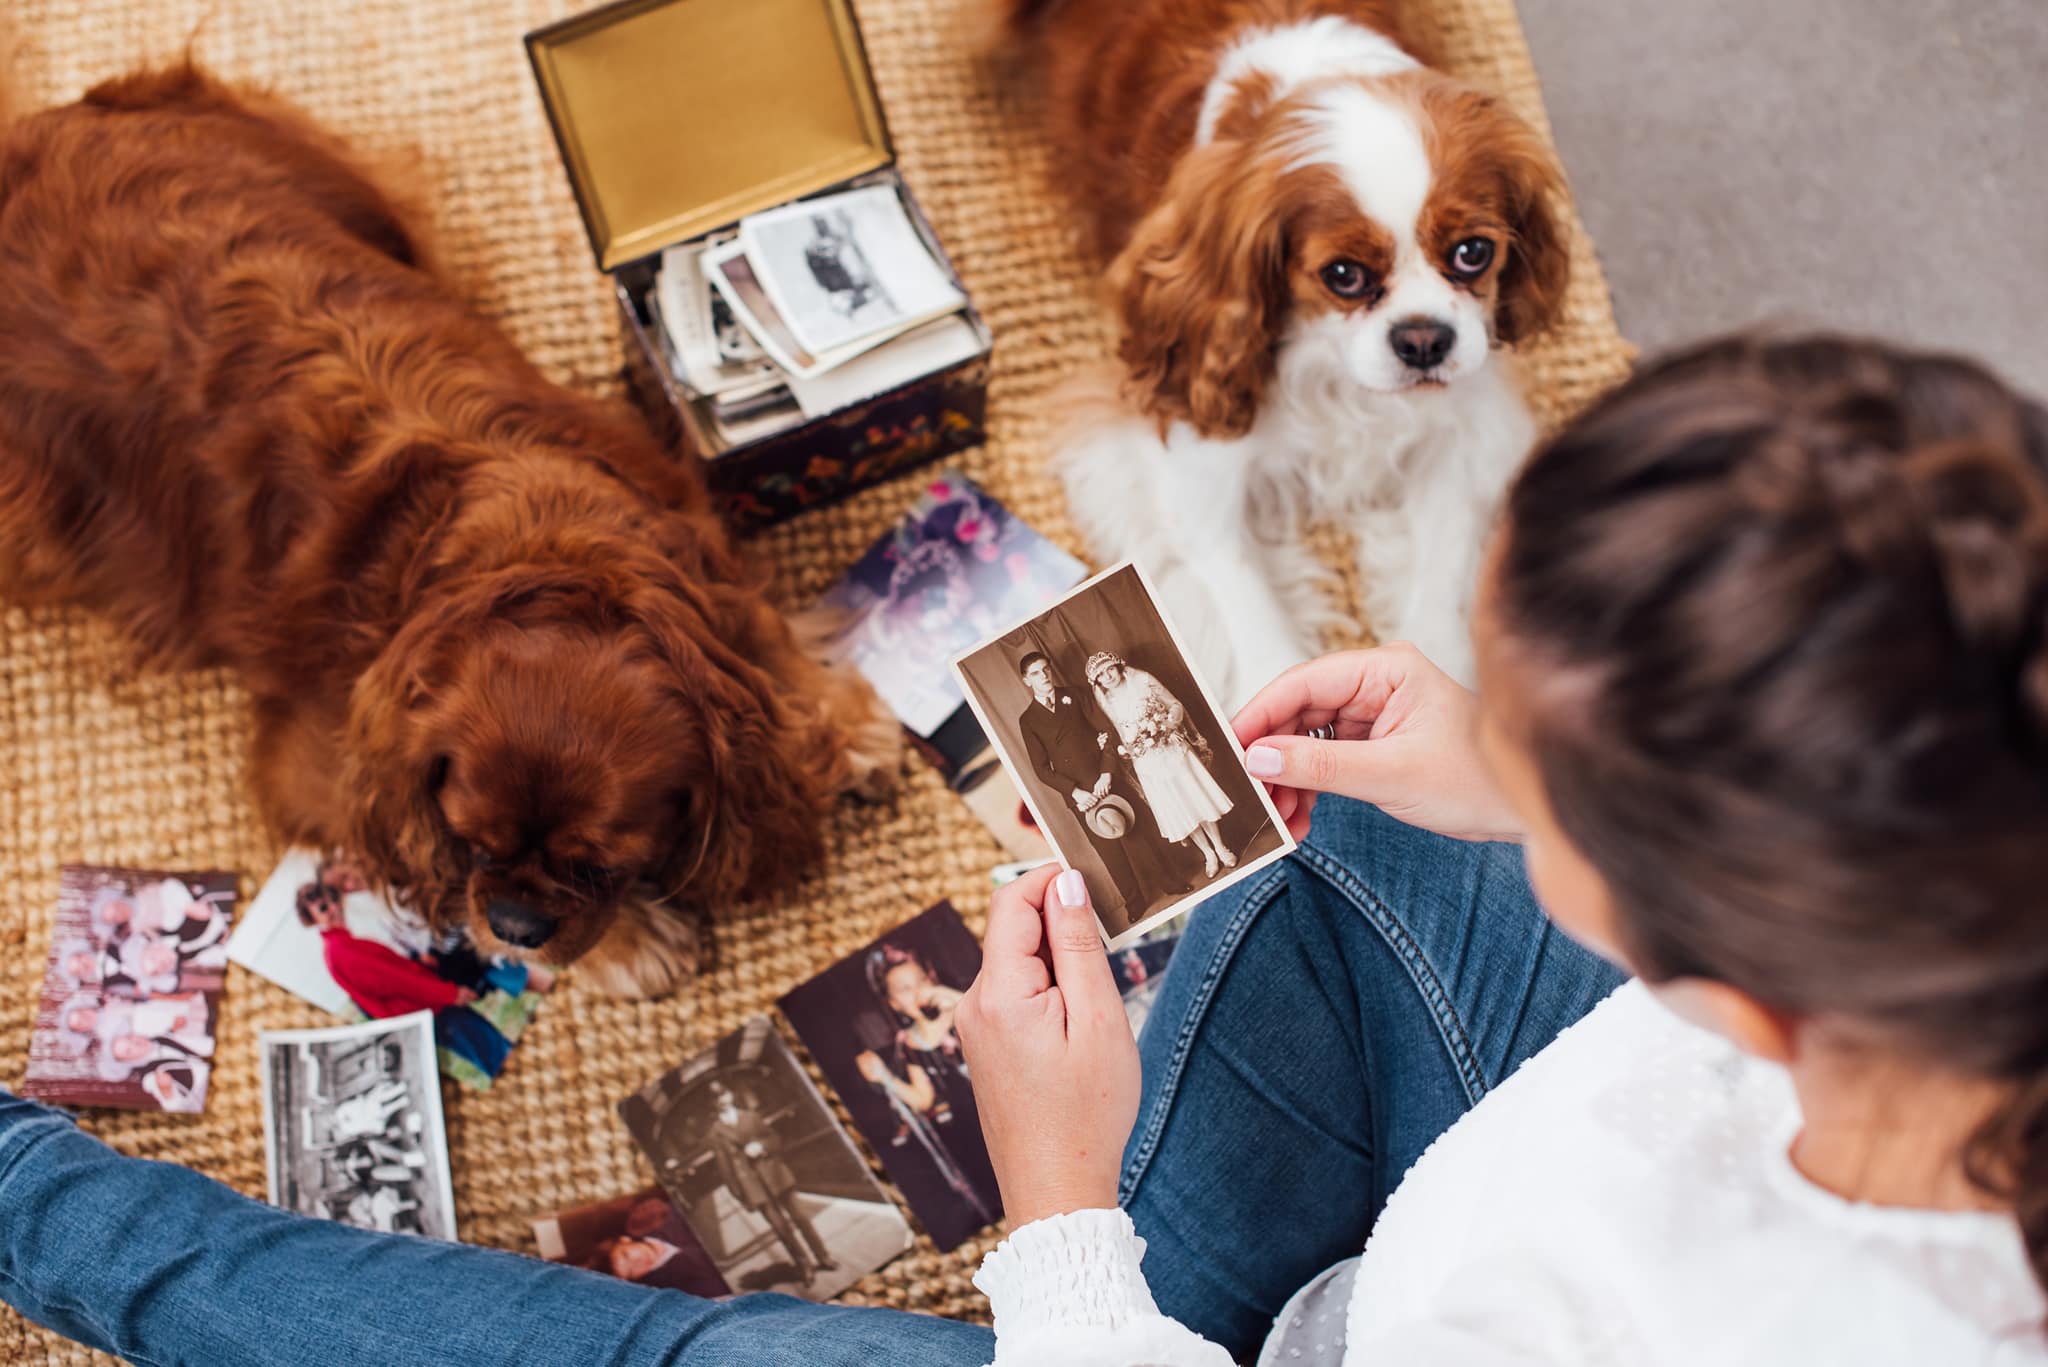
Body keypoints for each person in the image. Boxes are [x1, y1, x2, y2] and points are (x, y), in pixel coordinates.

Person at [3, 334, 2046, 1365]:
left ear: (1738, 963)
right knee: (1272, 818)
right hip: (1461, 1193)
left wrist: (1062, 1216)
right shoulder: (1964, 864)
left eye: (1532, 735)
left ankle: (30, 1200)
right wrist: (1509, 796)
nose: (1461, 708)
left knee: (651, 1343)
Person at [1015, 651, 1152, 922]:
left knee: (1140, 833)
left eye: (1045, 669)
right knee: (1109, 850)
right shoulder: (1028, 720)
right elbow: (1042, 769)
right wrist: (1075, 792)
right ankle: (1134, 902)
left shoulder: (1075, 695)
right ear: (1026, 680)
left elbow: (1107, 733)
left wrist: (1106, 774)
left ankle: (1169, 881)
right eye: (1035, 674)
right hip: (1080, 796)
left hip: (1105, 778)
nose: (1043, 677)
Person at [1087, 650, 1236, 879]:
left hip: (1171, 749)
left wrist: (1167, 724)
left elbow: (1174, 704)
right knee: (1180, 807)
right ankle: (1208, 854)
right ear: (1097, 682)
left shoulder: (1143, 680)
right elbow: (1117, 732)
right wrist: (1127, 746)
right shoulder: (1107, 703)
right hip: (1146, 761)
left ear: (1118, 666)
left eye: (1110, 669)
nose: (1108, 676)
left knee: (1196, 797)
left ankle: (1221, 847)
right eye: (1102, 675)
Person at [703, 1080, 836, 1286]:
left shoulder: (751, 1117)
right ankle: (804, 1266)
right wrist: (741, 1196)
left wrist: (761, 1146)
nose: (722, 1100)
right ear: (712, 1104)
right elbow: (725, 1170)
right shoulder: (715, 1134)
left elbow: (775, 1140)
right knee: (781, 1229)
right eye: (716, 1098)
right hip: (754, 1189)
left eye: (723, 1094)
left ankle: (823, 1257)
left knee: (801, 1218)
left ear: (729, 1094)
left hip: (776, 1176)